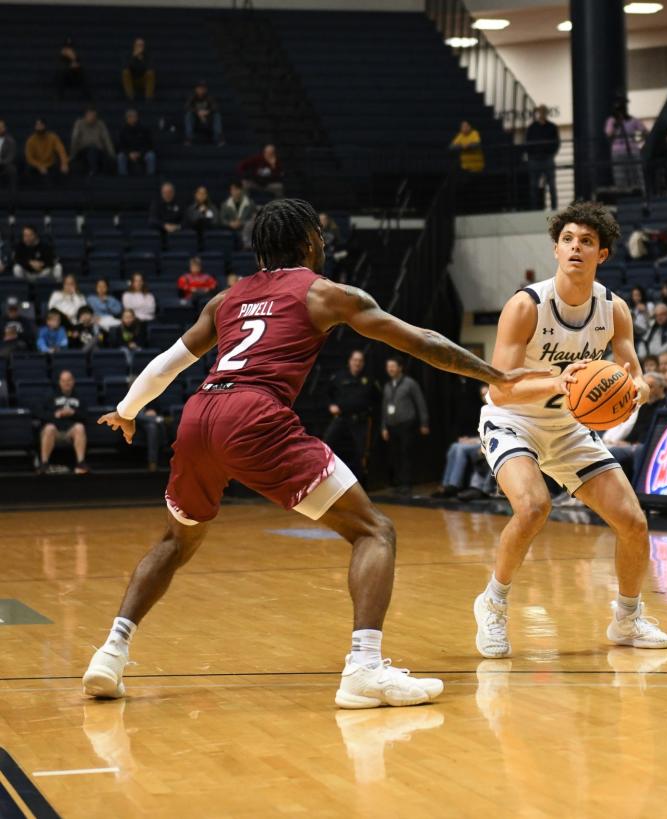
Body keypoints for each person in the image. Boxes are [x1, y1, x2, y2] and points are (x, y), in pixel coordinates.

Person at [83, 198, 539, 708]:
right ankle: (364, 668)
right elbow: (421, 341)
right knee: (373, 530)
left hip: (199, 415)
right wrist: (495, 375)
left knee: (175, 541)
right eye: (319, 237)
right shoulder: (325, 293)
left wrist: (126, 410)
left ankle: (109, 653)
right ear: (307, 244)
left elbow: (168, 363)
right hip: (253, 416)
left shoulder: (226, 300)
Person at [471, 199, 667, 663]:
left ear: (602, 254)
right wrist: (559, 381)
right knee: (535, 507)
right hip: (513, 421)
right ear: (556, 249)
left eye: (586, 241)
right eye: (567, 240)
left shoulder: (614, 309)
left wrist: (630, 389)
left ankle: (627, 617)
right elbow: (498, 389)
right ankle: (493, 603)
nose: (575, 247)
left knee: (634, 523)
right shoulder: (527, 305)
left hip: (568, 427)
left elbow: (636, 375)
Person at [324, 350, 379, 483]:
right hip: (341, 418)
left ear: (363, 363)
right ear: (350, 361)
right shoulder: (339, 377)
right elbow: (326, 393)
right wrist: (331, 405)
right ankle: (328, 477)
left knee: (362, 451)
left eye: (360, 361)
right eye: (355, 360)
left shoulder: (369, 379)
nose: (357, 363)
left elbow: (377, 399)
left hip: (360, 420)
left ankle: (359, 481)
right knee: (326, 443)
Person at [381, 356, 429, 496]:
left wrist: (424, 423)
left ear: (400, 368)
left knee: (406, 454)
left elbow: (420, 403)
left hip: (406, 425)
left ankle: (407, 484)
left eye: (393, 366)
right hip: (391, 426)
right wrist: (383, 427)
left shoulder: (410, 383)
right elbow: (384, 407)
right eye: (388, 366)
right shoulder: (387, 385)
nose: (390, 369)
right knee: (395, 455)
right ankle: (398, 483)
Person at [39, 370, 89, 474]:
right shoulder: (50, 396)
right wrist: (56, 415)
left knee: (80, 427)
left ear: (73, 381)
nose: (67, 383)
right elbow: (39, 413)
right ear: (59, 382)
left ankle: (81, 463)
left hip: (70, 432)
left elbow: (85, 416)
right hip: (55, 431)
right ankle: (44, 464)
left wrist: (73, 413)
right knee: (49, 428)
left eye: (69, 380)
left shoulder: (79, 397)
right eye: (64, 380)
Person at [604, 97, 645, 190]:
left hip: (632, 151)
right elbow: (609, 135)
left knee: (636, 175)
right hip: (617, 152)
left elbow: (645, 132)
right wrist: (616, 125)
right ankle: (624, 195)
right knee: (620, 176)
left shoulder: (633, 120)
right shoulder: (611, 121)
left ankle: (639, 193)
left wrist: (638, 142)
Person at [525, 105, 559, 210]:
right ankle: (534, 209)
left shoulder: (552, 127)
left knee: (552, 186)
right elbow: (527, 143)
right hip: (534, 160)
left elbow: (556, 143)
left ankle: (554, 209)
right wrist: (531, 155)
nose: (542, 114)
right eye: (541, 112)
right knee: (533, 186)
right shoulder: (532, 127)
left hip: (547, 159)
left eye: (544, 112)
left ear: (546, 113)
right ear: (538, 113)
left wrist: (551, 153)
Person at [70, 108, 115, 176]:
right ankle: (93, 171)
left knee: (108, 159)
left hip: (98, 150)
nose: (92, 117)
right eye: (90, 115)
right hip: (83, 150)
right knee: (91, 151)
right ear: (85, 115)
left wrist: (112, 154)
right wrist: (73, 154)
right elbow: (74, 139)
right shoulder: (79, 123)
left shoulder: (100, 124)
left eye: (93, 115)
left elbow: (107, 139)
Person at [24, 119, 69, 185]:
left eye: (41, 125)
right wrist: (39, 166)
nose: (39, 127)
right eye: (37, 125)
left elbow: (61, 150)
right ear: (35, 127)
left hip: (50, 164)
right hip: (36, 165)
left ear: (45, 126)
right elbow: (29, 157)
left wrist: (64, 163)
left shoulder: (53, 137)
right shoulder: (31, 140)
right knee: (28, 170)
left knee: (61, 171)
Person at [116, 109, 156, 176]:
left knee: (151, 156)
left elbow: (149, 145)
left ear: (137, 118)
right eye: (130, 117)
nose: (132, 118)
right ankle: (122, 178)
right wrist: (129, 153)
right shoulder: (122, 130)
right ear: (127, 118)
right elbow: (120, 146)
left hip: (142, 153)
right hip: (128, 154)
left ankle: (151, 177)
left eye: (134, 116)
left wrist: (140, 153)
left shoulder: (144, 129)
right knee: (120, 156)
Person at [184, 81, 224, 146]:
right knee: (189, 115)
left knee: (217, 115)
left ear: (206, 90)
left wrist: (207, 112)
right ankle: (189, 138)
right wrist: (198, 112)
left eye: (203, 88)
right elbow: (186, 107)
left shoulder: (209, 97)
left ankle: (218, 138)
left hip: (207, 120)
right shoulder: (192, 97)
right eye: (199, 88)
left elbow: (216, 107)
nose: (201, 90)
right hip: (196, 120)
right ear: (196, 89)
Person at [0, 119, 17, 190]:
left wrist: (1, 162)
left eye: (1, 127)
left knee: (12, 170)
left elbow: (10, 157)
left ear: (5, 128)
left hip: (4, 165)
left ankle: (13, 196)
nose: (0, 129)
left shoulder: (10, 141)